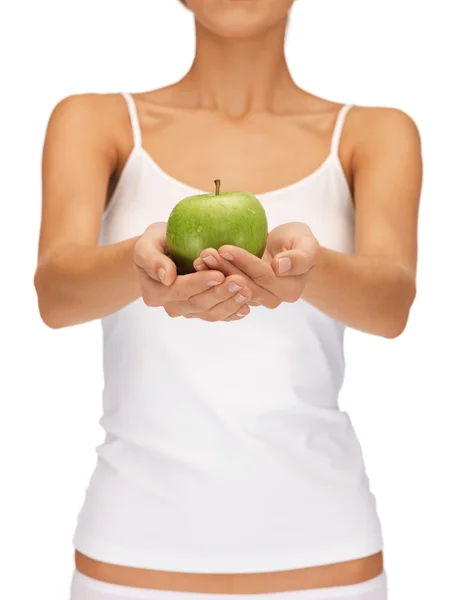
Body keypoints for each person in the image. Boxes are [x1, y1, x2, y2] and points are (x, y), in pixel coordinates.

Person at [34, 0, 422, 599]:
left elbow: (392, 304)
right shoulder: (94, 121)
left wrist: (310, 272)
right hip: (129, 559)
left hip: (327, 560)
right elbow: (55, 293)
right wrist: (140, 266)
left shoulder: (375, 131)